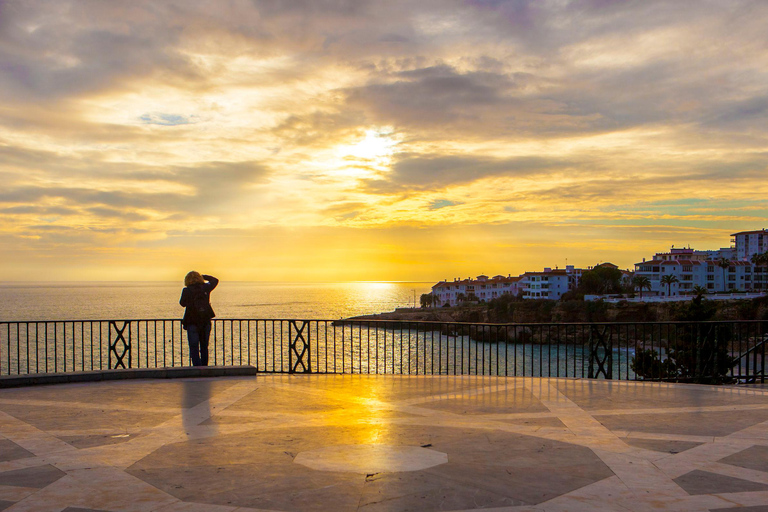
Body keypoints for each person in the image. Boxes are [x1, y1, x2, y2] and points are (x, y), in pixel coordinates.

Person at [180, 271, 219, 366]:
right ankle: (204, 367)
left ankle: (197, 367)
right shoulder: (206, 287)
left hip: (192, 321)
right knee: (204, 346)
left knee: (194, 347)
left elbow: (182, 303)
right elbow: (215, 280)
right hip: (205, 320)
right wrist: (203, 276)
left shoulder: (187, 290)